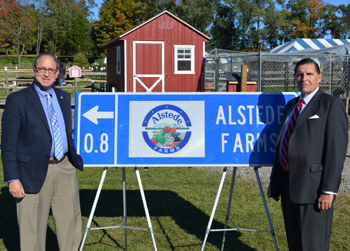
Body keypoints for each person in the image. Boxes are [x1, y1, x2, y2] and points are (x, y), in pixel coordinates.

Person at [1, 52, 84, 250]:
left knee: (70, 225)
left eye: (51, 70)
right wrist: (13, 178)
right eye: (41, 69)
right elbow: (8, 144)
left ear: (57, 73)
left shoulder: (64, 97)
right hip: (31, 171)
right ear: (34, 71)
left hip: (64, 167)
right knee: (33, 232)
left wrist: (72, 160)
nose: (46, 74)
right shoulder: (17, 100)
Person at [268, 58, 348, 251]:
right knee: (295, 245)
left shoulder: (331, 104)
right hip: (289, 189)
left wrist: (328, 191)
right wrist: (278, 183)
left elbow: (336, 151)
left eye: (309, 74)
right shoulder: (291, 106)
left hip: (314, 192)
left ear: (319, 77)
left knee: (313, 246)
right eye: (299, 74)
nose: (304, 78)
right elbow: (285, 143)